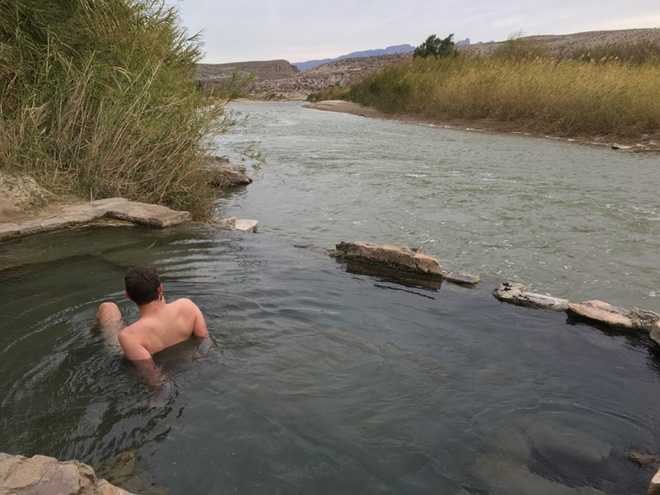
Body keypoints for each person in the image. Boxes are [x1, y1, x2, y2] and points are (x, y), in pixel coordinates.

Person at [96, 266, 209, 385]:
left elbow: (152, 376)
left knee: (108, 307)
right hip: (185, 360)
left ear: (128, 296)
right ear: (161, 288)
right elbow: (205, 340)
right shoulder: (187, 306)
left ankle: (91, 333)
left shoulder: (128, 336)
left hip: (130, 354)